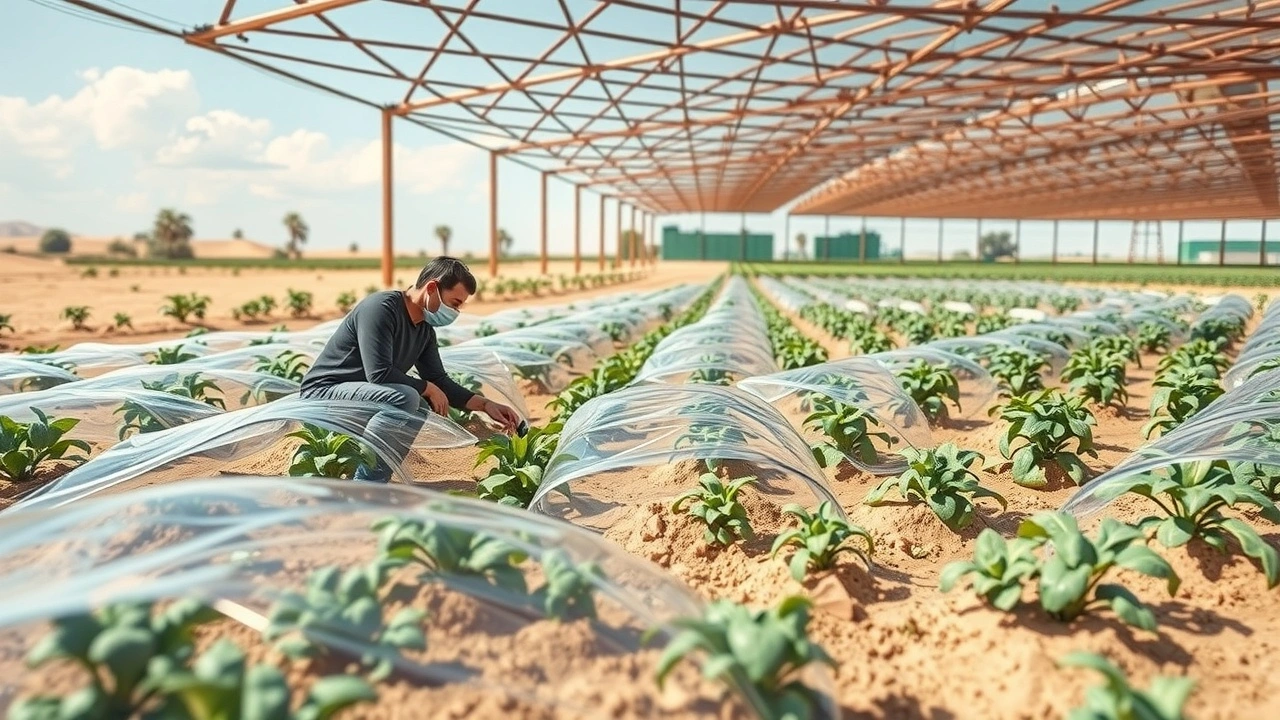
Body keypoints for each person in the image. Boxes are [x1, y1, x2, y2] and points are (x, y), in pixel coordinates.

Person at [300, 256, 521, 482]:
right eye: (454, 303)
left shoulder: (424, 331)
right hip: (323, 391)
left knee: (418, 405)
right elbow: (379, 373)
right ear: (432, 288)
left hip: (359, 396)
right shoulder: (381, 308)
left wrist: (485, 404)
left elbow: (439, 380)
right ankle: (364, 483)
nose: (456, 312)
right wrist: (426, 387)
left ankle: (377, 479)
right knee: (407, 396)